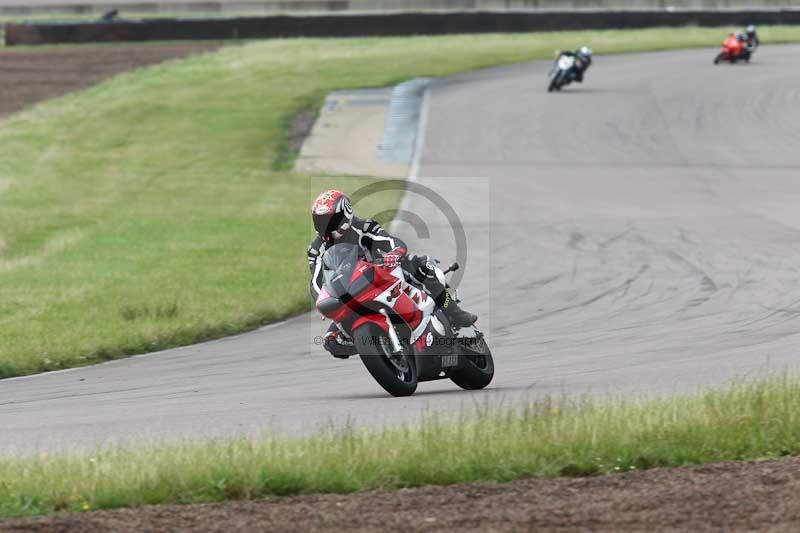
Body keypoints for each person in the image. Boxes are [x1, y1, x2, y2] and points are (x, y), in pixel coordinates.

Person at [307, 189, 478, 359]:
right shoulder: (316, 250)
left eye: (330, 220)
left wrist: (394, 253)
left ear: (345, 214)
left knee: (422, 266)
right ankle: (372, 344)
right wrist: (323, 300)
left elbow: (391, 242)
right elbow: (316, 281)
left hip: (382, 274)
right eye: (320, 221)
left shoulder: (364, 227)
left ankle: (454, 313)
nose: (325, 226)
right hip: (350, 294)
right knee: (331, 341)